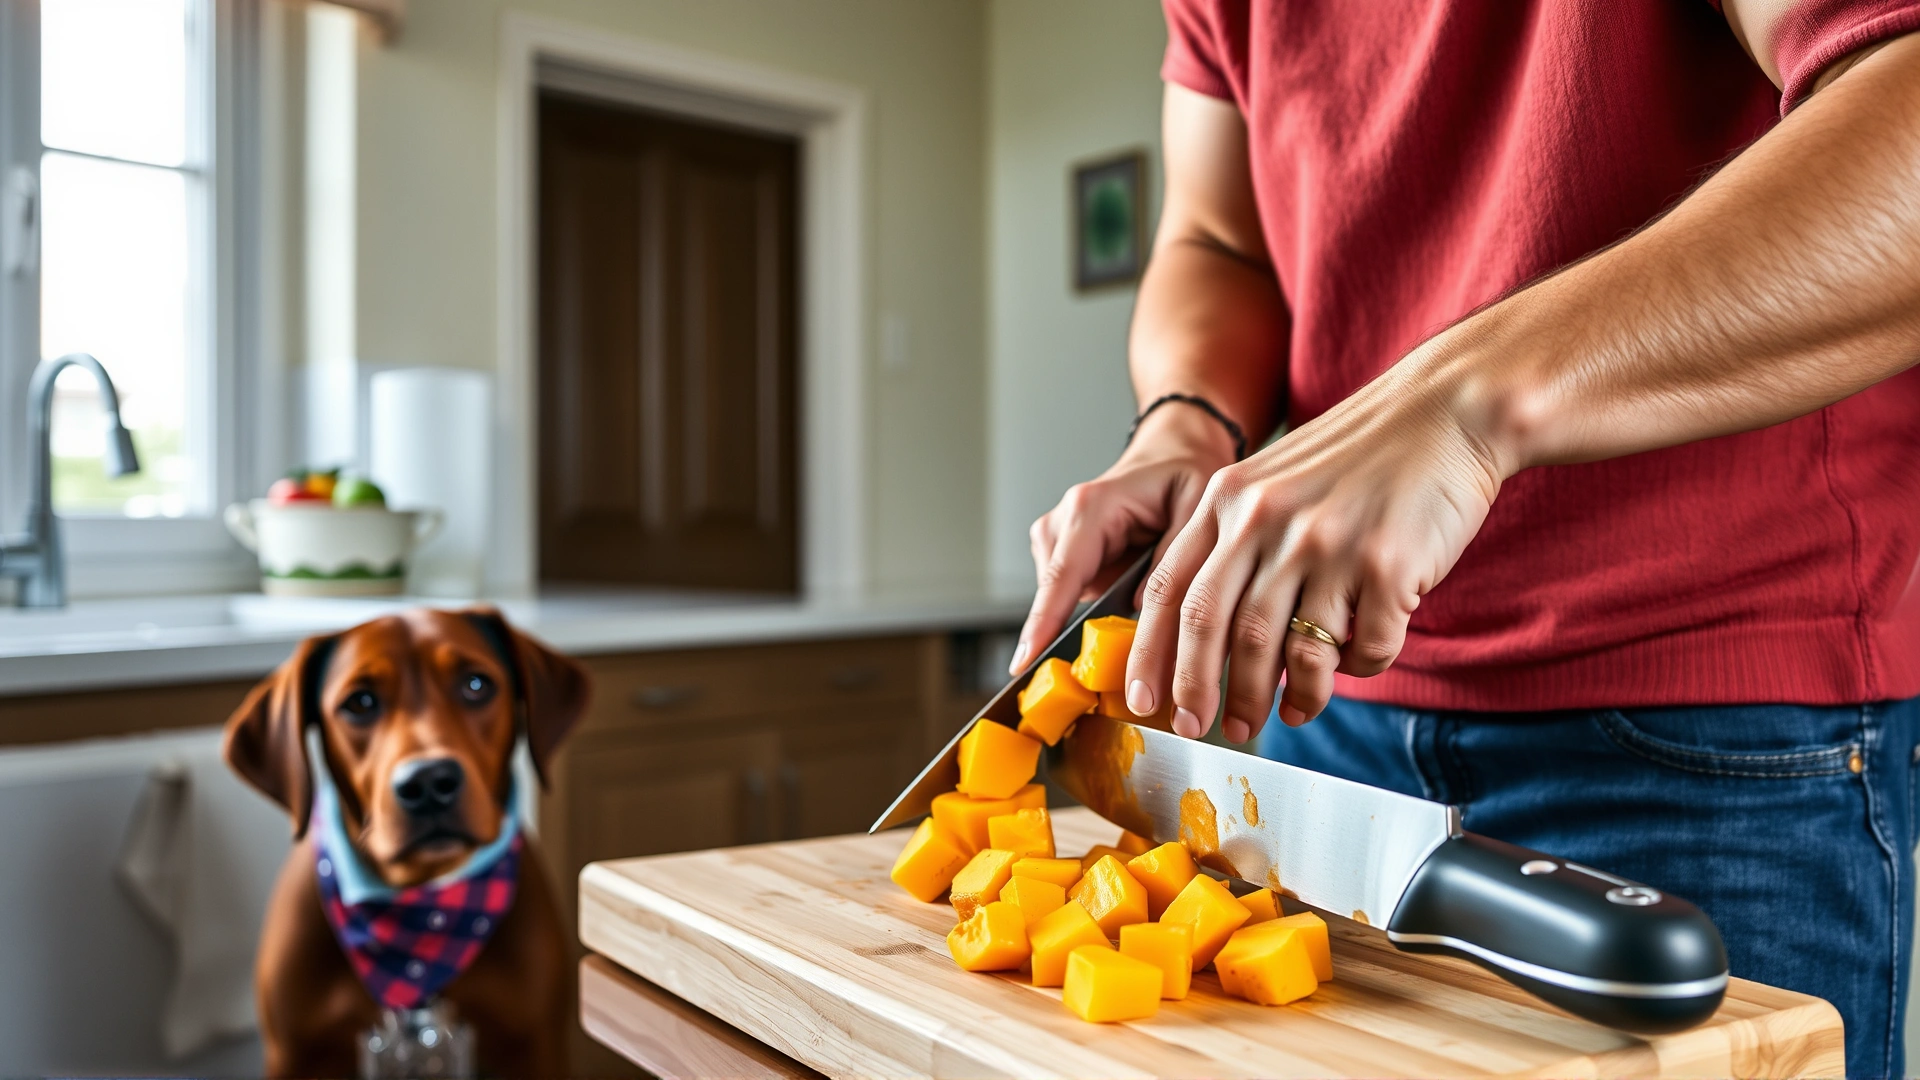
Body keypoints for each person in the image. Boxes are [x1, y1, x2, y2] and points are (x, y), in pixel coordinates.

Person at [1016, 2, 1920, 1075]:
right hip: (1327, 711)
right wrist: (1185, 423)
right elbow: (1215, 238)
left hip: (1715, 723)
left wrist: (1460, 401)